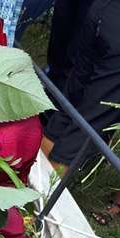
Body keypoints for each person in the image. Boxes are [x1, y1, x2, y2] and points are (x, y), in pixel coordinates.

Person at [41, 0, 120, 222]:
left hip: (103, 12)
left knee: (70, 102)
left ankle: (25, 183)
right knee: (88, 121)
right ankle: (35, 206)